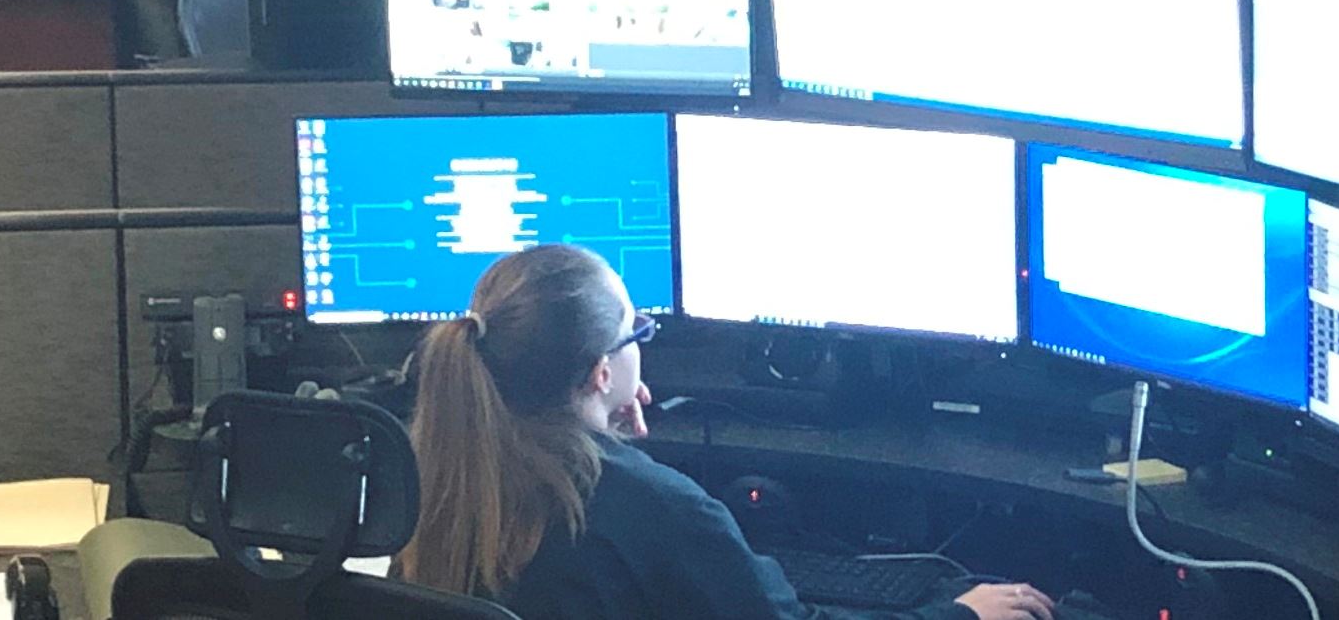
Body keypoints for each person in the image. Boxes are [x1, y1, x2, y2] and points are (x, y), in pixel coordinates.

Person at [397, 245, 1059, 620]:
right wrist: (962, 614)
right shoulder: (654, 506)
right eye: (640, 334)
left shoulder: (432, 470)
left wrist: (609, 446)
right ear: (603, 372)